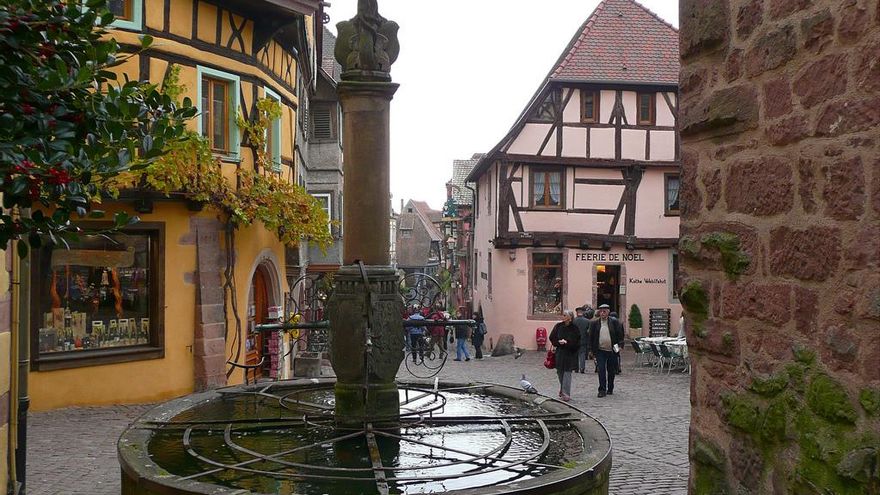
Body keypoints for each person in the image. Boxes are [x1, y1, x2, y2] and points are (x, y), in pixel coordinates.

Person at [589, 304, 624, 397]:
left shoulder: (614, 322)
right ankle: (602, 389)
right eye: (601, 311)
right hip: (600, 350)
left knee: (611, 370)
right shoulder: (594, 323)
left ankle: (610, 387)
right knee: (601, 370)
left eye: (604, 311)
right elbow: (591, 337)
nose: (602, 313)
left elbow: (620, 334)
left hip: (612, 350)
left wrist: (620, 345)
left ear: (608, 312)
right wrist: (591, 350)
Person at [549, 309, 580, 401]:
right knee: (560, 372)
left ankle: (566, 393)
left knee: (567, 373)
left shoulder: (574, 328)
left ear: (570, 317)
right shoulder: (558, 326)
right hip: (560, 352)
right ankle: (562, 389)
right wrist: (558, 342)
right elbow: (552, 337)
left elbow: (577, 341)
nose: (563, 317)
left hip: (570, 353)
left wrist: (568, 343)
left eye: (565, 315)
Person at [574, 307, 591, 373]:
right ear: (583, 312)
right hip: (583, 340)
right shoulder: (587, 321)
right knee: (582, 354)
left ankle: (576, 368)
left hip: (575, 341)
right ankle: (582, 368)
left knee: (575, 354)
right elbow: (589, 332)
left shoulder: (573, 321)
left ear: (577, 312)